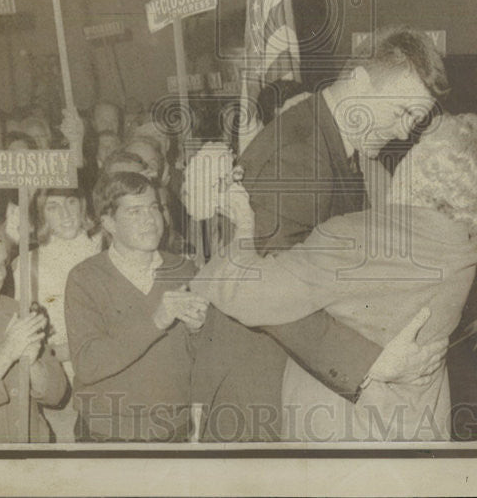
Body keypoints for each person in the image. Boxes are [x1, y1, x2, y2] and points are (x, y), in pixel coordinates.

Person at [190, 26, 455, 441]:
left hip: (296, 375)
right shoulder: (297, 155)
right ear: (361, 82)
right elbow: (265, 290)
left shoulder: (330, 141)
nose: (404, 132)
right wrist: (371, 364)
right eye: (402, 112)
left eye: (415, 120)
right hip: (260, 385)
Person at [195, 114, 477, 441]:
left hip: (344, 431)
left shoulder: (355, 240)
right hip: (419, 427)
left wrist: (242, 226)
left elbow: (244, 293)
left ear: (423, 169)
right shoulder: (467, 245)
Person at [65, 171, 207, 442]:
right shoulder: (85, 278)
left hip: (172, 428)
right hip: (107, 432)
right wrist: (156, 321)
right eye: (134, 212)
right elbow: (87, 363)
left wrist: (198, 331)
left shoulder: (184, 270)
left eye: (154, 208)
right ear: (109, 222)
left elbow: (202, 360)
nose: (150, 220)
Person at [0, 215, 67, 443]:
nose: (1, 275)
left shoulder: (16, 311)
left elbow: (57, 395)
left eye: (3, 263)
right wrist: (7, 354)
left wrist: (33, 363)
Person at [29, 188, 102, 441]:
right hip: (62, 384)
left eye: (71, 202)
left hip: (109, 376)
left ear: (83, 205)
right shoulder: (29, 265)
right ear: (41, 215)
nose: (65, 213)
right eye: (52, 206)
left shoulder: (108, 248)